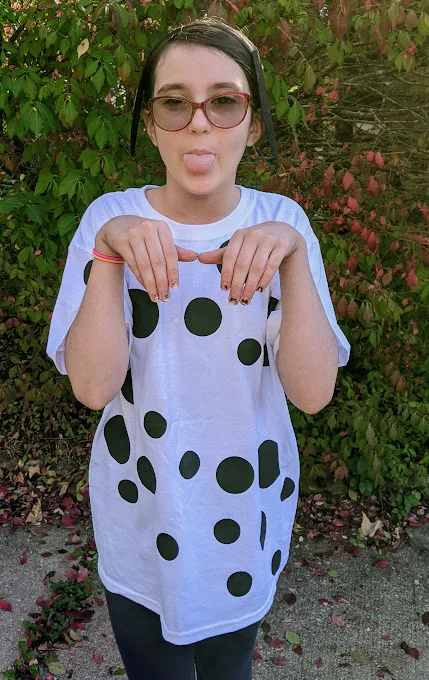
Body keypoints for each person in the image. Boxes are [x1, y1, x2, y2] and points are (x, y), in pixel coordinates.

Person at [46, 17, 351, 680]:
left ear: (253, 122)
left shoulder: (283, 223)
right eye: (173, 102)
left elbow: (312, 392)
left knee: (227, 668)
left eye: (224, 100)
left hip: (243, 524)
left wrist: (294, 260)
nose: (199, 123)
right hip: (138, 517)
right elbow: (93, 389)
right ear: (151, 123)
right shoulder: (105, 219)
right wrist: (108, 252)